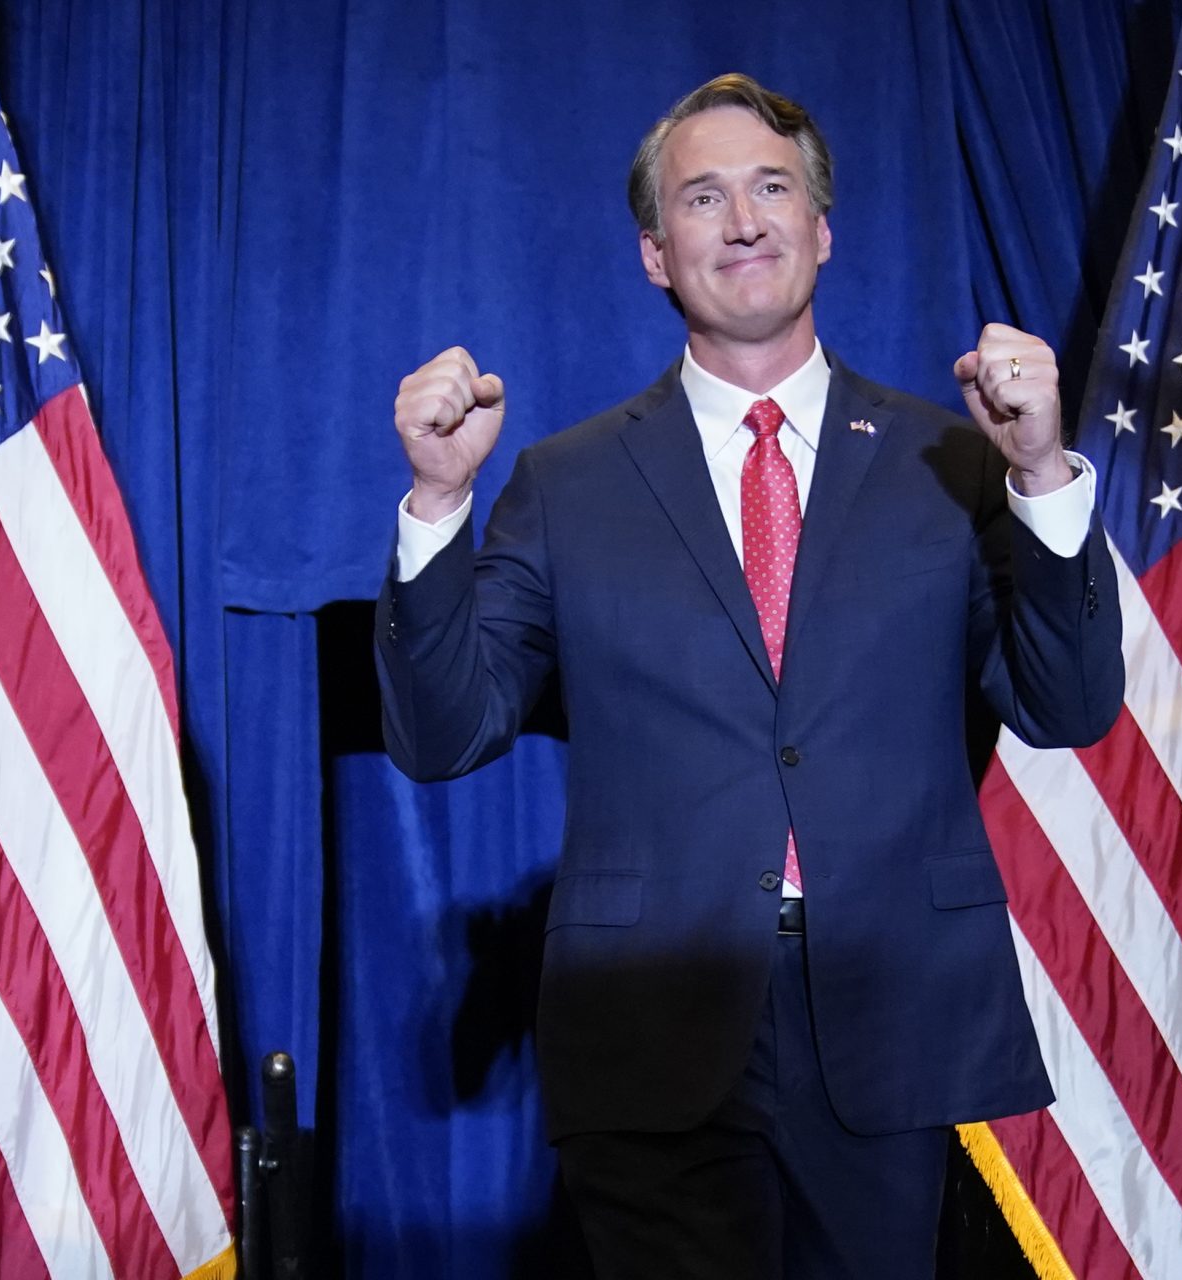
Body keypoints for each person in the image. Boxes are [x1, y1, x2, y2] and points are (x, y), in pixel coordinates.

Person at [377, 73, 1123, 1279]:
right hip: (651, 1018)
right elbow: (440, 731)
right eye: (703, 198)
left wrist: (1041, 478)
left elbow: (1069, 703)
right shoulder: (567, 483)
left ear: (821, 232)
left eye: (774, 189)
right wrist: (437, 503)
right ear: (655, 255)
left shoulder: (954, 457)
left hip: (883, 1009)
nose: (743, 220)